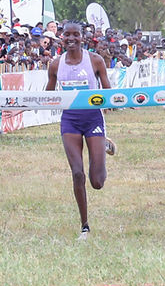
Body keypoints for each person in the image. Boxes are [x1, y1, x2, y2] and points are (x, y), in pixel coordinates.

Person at [45, 21, 116, 241]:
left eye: (76, 35)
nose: (71, 39)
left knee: (97, 182)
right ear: (61, 37)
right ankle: (84, 226)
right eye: (67, 35)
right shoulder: (55, 65)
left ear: (82, 38)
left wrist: (115, 101)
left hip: (93, 118)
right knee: (77, 173)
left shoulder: (95, 60)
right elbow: (48, 94)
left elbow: (108, 93)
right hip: (70, 122)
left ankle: (102, 146)